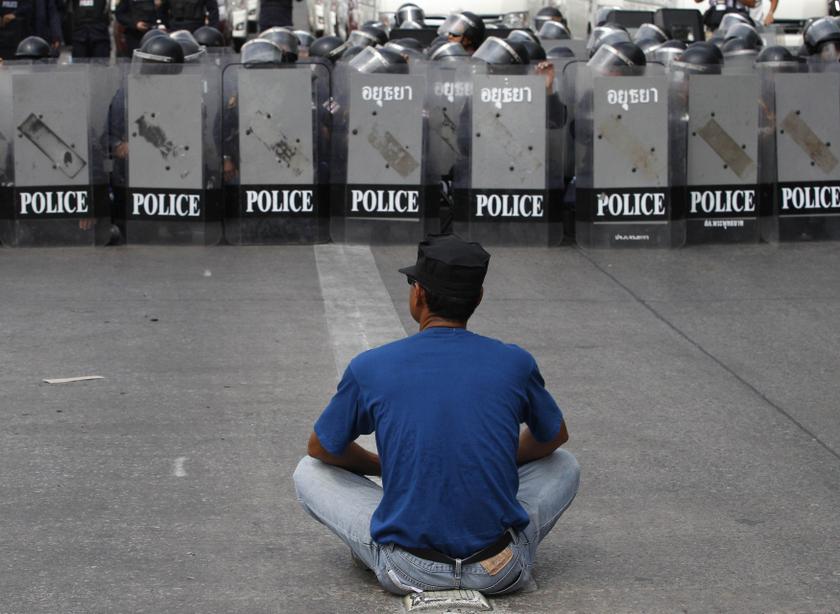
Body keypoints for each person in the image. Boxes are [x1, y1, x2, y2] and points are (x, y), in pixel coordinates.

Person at [294, 234, 580, 595]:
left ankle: (386, 546)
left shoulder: (372, 366)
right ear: (477, 297)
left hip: (409, 569)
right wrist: (489, 459)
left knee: (309, 471)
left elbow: (322, 448)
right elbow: (554, 436)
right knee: (564, 464)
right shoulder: (514, 362)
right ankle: (504, 543)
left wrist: (390, 466)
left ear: (419, 295)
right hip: (498, 569)